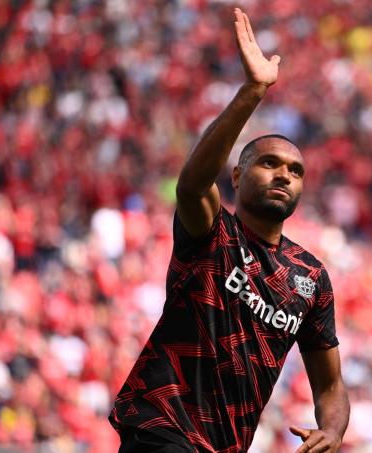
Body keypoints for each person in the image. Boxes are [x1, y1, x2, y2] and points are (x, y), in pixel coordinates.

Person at [108, 8, 350, 453]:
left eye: (295, 171)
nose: (283, 175)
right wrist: (253, 92)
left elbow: (330, 384)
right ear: (237, 177)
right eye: (269, 163)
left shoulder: (310, 278)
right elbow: (192, 184)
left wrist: (332, 430)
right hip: (163, 427)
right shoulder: (214, 233)